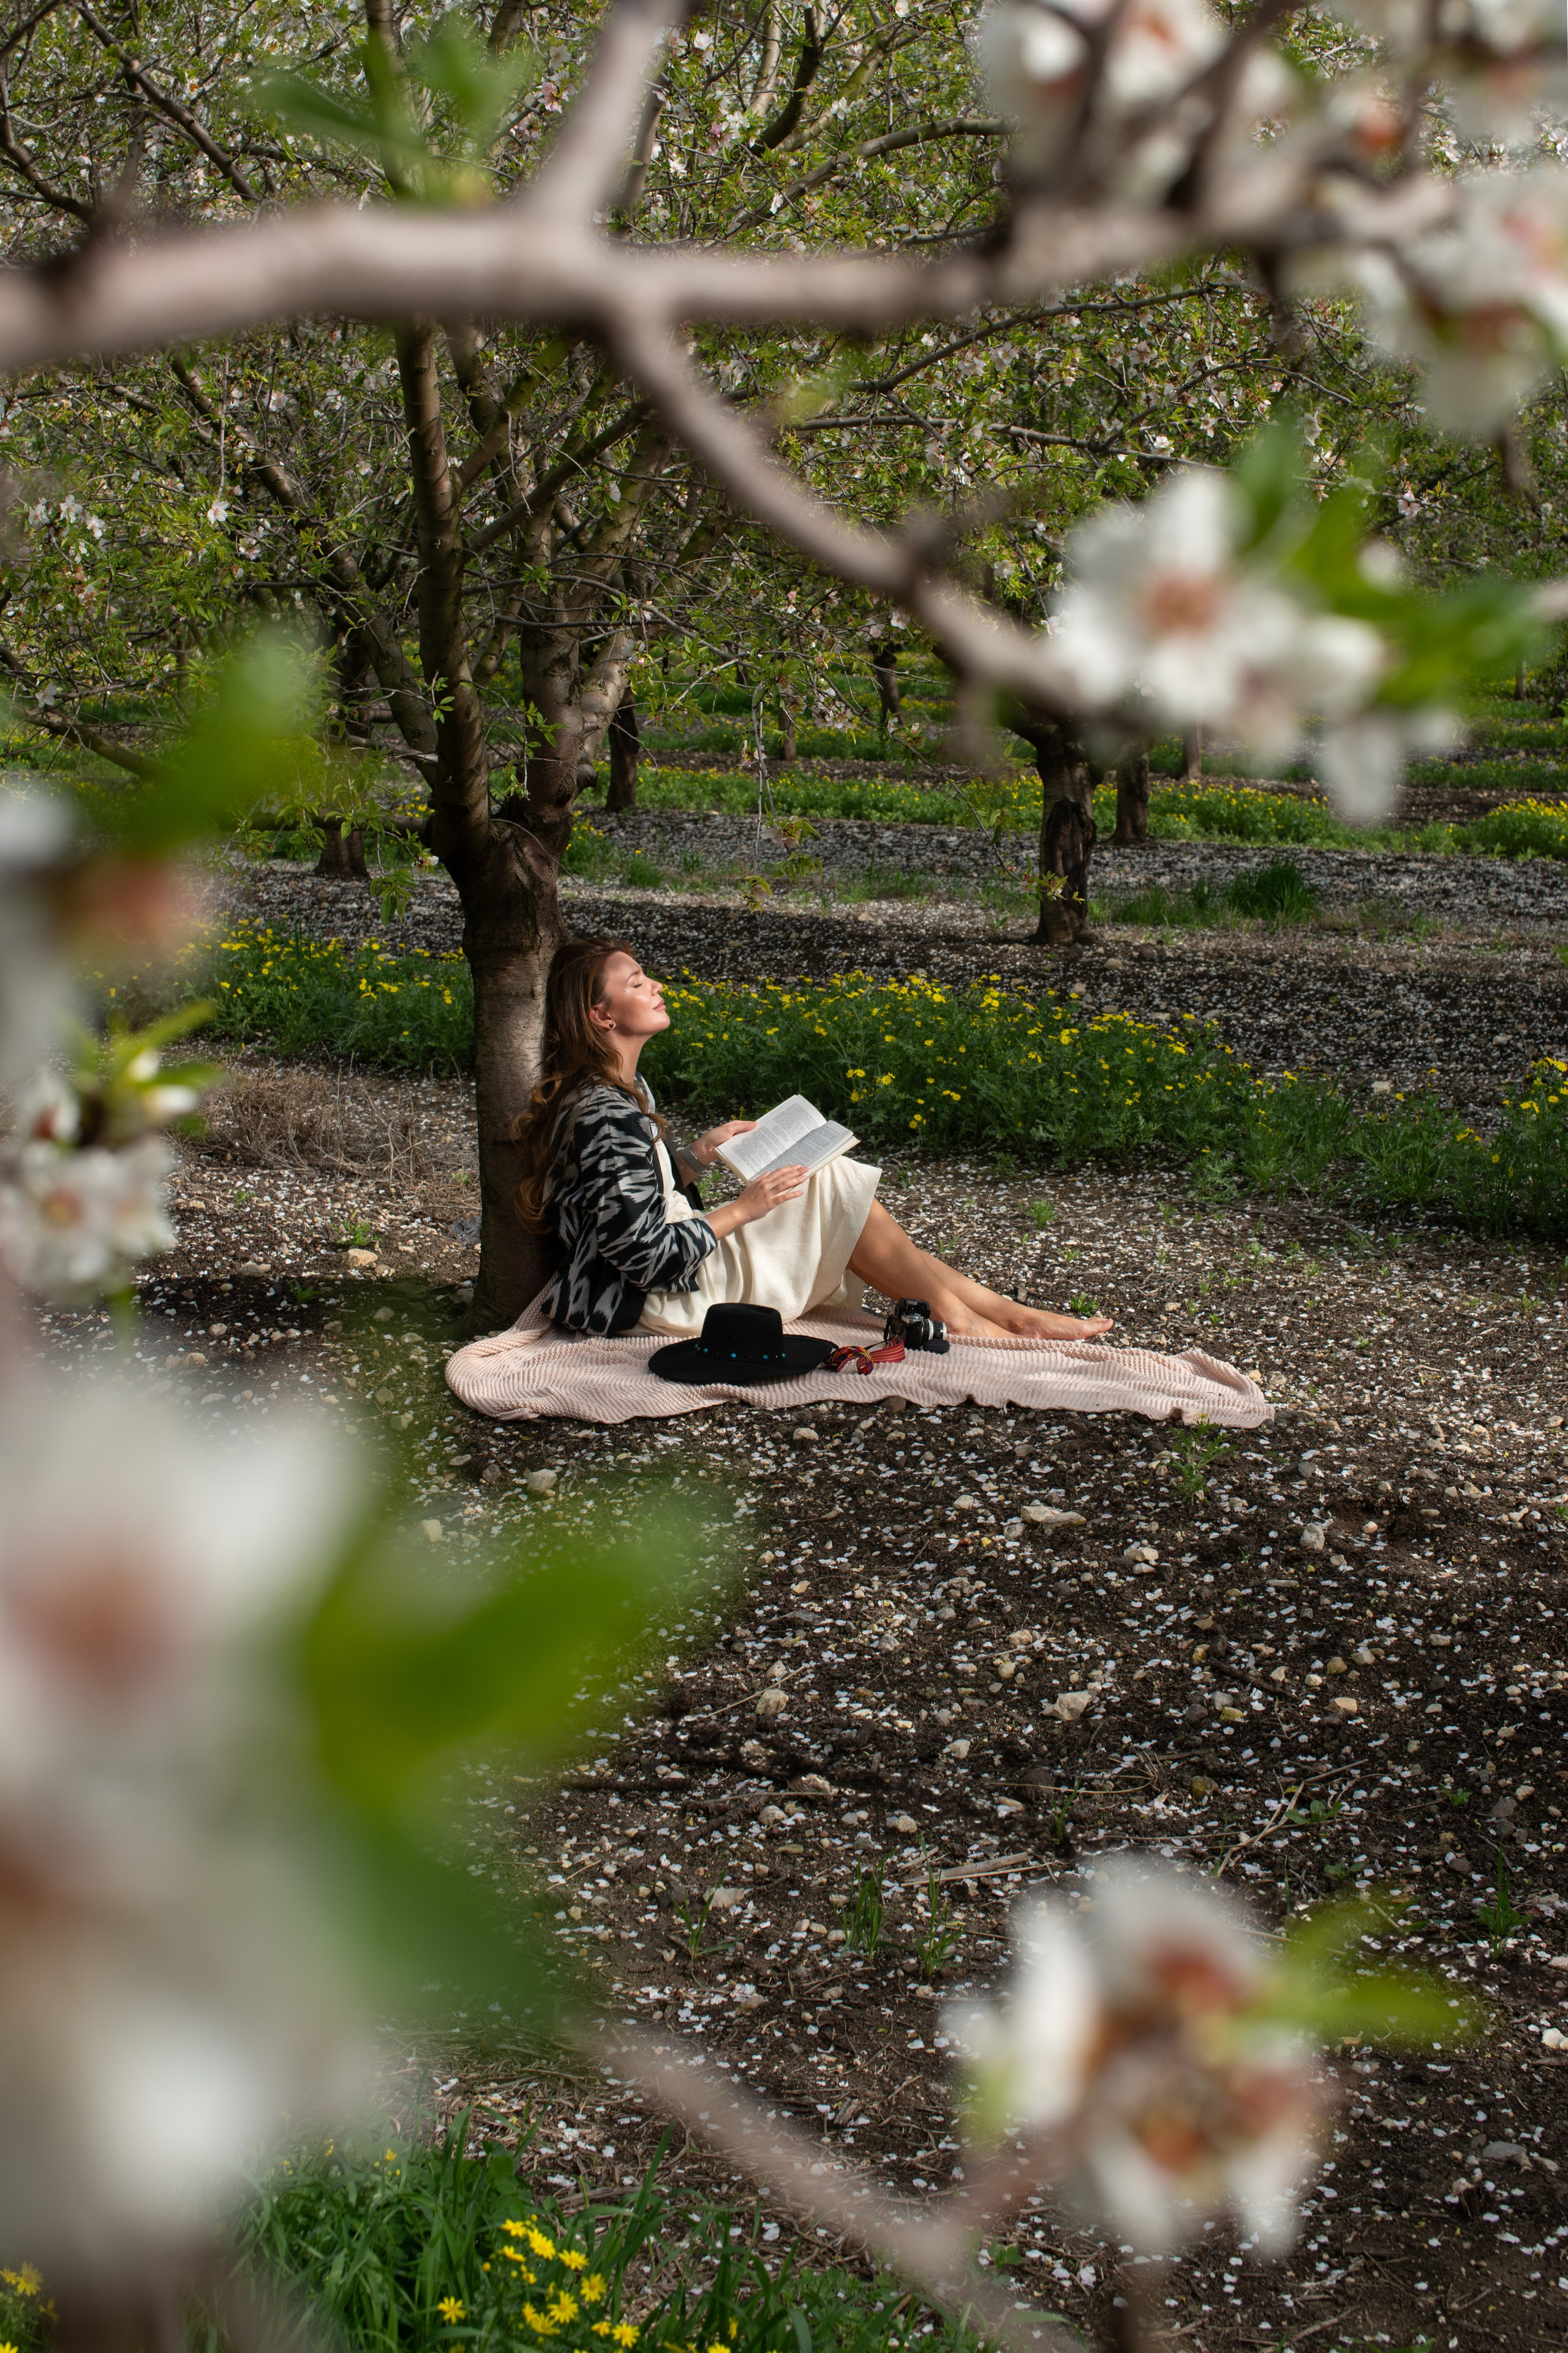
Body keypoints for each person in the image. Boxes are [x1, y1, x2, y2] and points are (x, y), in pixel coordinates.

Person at [513, 936, 1117, 1343]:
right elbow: (642, 1255)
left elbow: (630, 1198)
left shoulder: (620, 1088)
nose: (654, 987)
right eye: (636, 982)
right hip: (661, 1300)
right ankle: (974, 1319)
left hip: (675, 1274)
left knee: (828, 1188)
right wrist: (744, 1208)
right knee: (827, 1184)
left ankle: (996, 1313)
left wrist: (695, 1156)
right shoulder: (604, 1113)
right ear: (601, 1016)